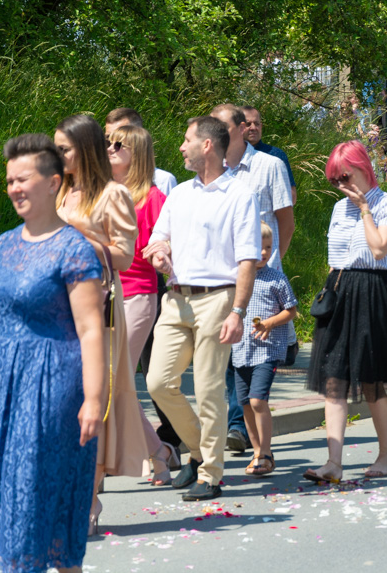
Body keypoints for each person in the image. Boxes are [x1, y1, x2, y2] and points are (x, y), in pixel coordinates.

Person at [0, 134, 104, 572]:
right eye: (10, 181)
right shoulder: (5, 244)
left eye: (23, 179)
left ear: (53, 183)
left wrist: (93, 398)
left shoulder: (74, 248)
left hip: (51, 384)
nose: (14, 188)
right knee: (2, 484)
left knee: (33, 486)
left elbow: (90, 330)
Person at [143, 116, 260, 502]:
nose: (181, 147)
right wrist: (160, 253)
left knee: (210, 390)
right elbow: (158, 239)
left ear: (207, 145)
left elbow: (247, 259)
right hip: (176, 298)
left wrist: (238, 312)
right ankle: (198, 451)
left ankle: (210, 474)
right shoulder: (180, 194)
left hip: (218, 298)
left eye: (186, 139)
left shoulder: (239, 195)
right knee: (158, 382)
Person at [304, 140, 387, 482]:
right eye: (335, 180)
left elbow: (378, 250)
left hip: (372, 291)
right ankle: (333, 462)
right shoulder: (336, 208)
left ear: (363, 168)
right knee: (334, 380)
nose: (342, 185)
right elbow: (335, 257)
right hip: (339, 291)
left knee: (373, 381)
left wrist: (364, 209)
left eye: (345, 176)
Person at [55, 114, 150, 533]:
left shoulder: (113, 194)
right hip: (56, 311)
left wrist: (81, 237)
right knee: (61, 408)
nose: (57, 157)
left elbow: (125, 256)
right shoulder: (57, 191)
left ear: (85, 149)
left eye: (64, 149)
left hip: (99, 312)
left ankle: (88, 499)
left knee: (96, 405)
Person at [211, 103, 294, 455]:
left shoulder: (269, 166)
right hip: (221, 277)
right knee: (229, 353)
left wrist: (273, 266)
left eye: (219, 125)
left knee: (250, 352)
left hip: (259, 276)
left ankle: (238, 428)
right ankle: (238, 425)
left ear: (240, 128)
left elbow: (285, 221)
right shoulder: (213, 171)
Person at [107, 125, 180, 485]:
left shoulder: (152, 198)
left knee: (113, 384)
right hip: (104, 295)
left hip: (137, 295)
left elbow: (164, 247)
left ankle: (155, 452)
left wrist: (162, 257)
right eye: (106, 142)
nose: (109, 148)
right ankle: (160, 452)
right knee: (109, 385)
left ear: (135, 153)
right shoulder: (102, 193)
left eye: (117, 144)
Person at [232, 222, 297, 476]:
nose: (263, 253)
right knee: (245, 403)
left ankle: (266, 452)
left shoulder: (276, 278)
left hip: (267, 351)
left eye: (268, 247)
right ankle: (257, 451)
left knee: (258, 400)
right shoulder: (236, 277)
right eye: (258, 247)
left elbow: (291, 310)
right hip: (240, 351)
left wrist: (270, 323)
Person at [105, 108, 177, 195]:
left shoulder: (162, 181)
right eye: (108, 140)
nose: (109, 148)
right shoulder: (101, 179)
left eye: (119, 142)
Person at [242, 106, 298, 205]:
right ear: (239, 127)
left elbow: (291, 197)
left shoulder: (276, 155)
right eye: (248, 124)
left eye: (257, 124)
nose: (253, 128)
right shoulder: (230, 156)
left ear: (261, 126)